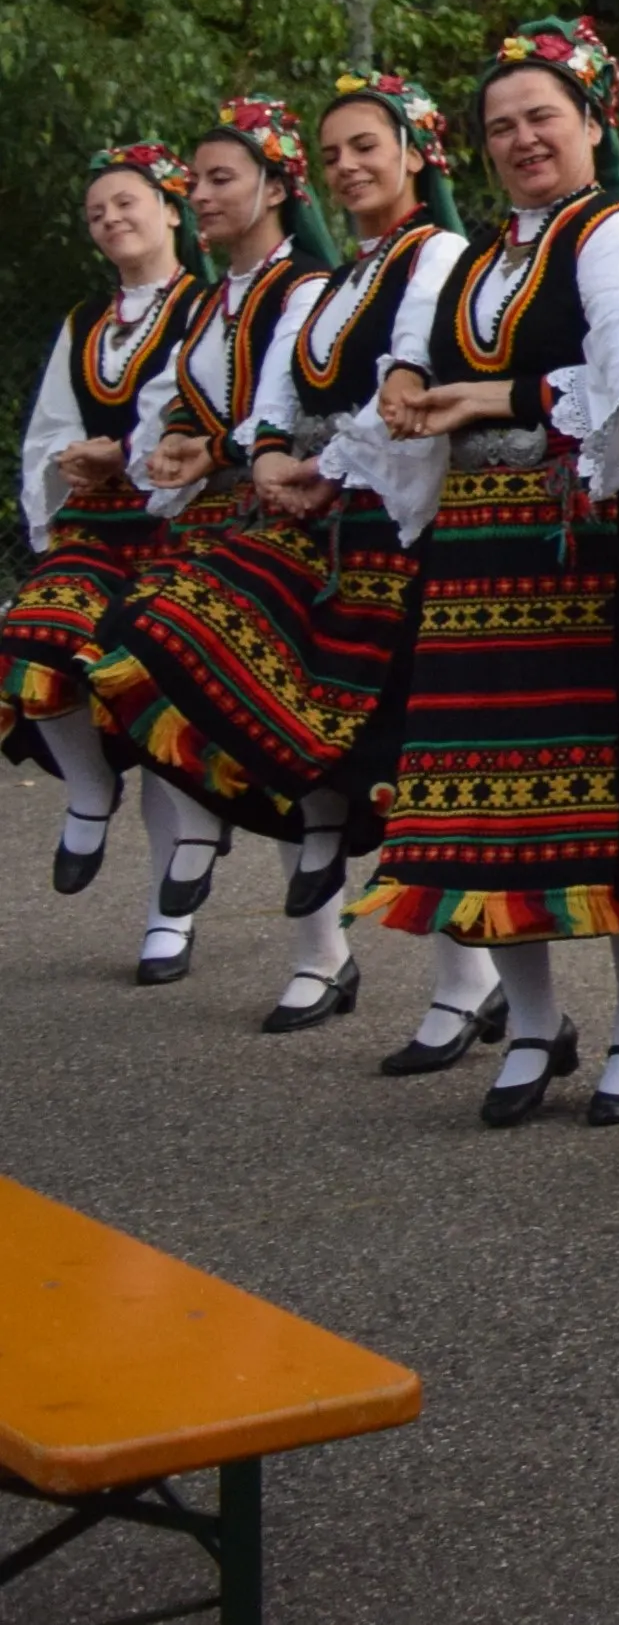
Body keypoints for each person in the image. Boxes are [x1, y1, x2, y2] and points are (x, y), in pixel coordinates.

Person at [84, 69, 474, 1038]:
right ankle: (318, 917)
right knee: (238, 680)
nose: (347, 166)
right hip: (322, 522)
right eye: (334, 151)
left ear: (415, 154)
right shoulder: (333, 285)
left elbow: (403, 389)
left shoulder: (436, 257)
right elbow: (269, 403)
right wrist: (255, 453)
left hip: (409, 529)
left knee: (419, 760)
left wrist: (299, 467)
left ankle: (467, 982)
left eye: (364, 148)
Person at [357, 21, 619, 1127]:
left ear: (594, 121)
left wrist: (497, 398)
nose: (522, 139)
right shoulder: (470, 258)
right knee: (485, 792)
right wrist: (406, 392)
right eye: (501, 126)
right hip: (479, 541)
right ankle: (537, 1021)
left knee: (604, 777)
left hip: (576, 534)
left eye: (543, 116)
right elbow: (410, 369)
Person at [103, 100, 329, 986]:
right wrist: (155, 450)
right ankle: (319, 955)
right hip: (212, 516)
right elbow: (169, 402)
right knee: (148, 655)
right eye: (193, 179)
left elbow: (297, 405)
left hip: (293, 515)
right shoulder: (207, 303)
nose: (197, 193)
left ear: (275, 186)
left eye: (220, 177)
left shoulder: (307, 285)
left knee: (201, 660)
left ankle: (258, 829)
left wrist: (224, 447)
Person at [4, 144, 201, 899]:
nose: (112, 218)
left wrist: (123, 451)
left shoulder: (204, 307)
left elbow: (200, 404)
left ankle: (169, 914)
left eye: (126, 202)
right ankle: (89, 790)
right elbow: (51, 420)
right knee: (31, 632)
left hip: (172, 524)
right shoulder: (86, 319)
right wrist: (70, 460)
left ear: (170, 209)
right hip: (95, 525)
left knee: (153, 682)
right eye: (97, 212)